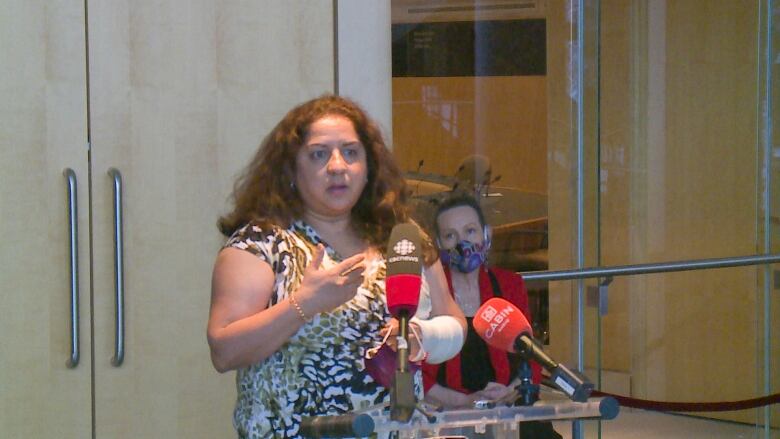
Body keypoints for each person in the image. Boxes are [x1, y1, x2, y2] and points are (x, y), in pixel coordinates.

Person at [206, 94, 466, 438]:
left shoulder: (402, 236)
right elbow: (224, 351)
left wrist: (424, 336)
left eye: (351, 152)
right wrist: (305, 304)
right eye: (318, 154)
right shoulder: (262, 242)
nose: (338, 166)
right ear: (291, 169)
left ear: (369, 166)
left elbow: (453, 320)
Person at [422, 191, 561, 438]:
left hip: (506, 406)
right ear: (439, 244)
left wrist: (512, 390)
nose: (462, 242)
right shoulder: (427, 289)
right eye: (450, 235)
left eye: (470, 231)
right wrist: (464, 402)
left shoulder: (510, 285)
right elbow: (414, 371)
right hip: (447, 412)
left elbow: (529, 353)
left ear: (487, 235)